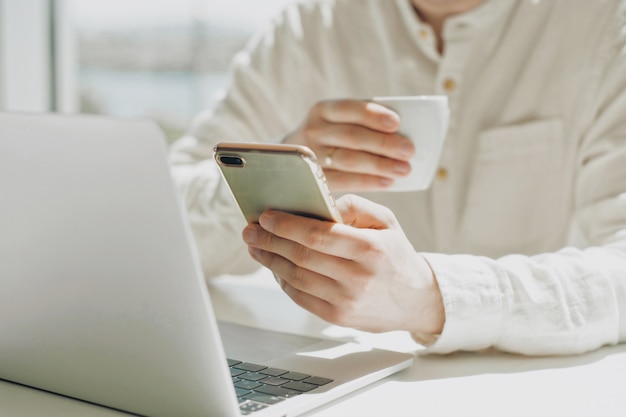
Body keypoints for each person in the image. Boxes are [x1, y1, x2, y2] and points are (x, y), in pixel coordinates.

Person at [169, 0, 626, 355]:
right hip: (345, 383)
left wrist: (432, 295)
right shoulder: (313, 27)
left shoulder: (604, 25)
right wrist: (270, 174)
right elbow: (161, 217)